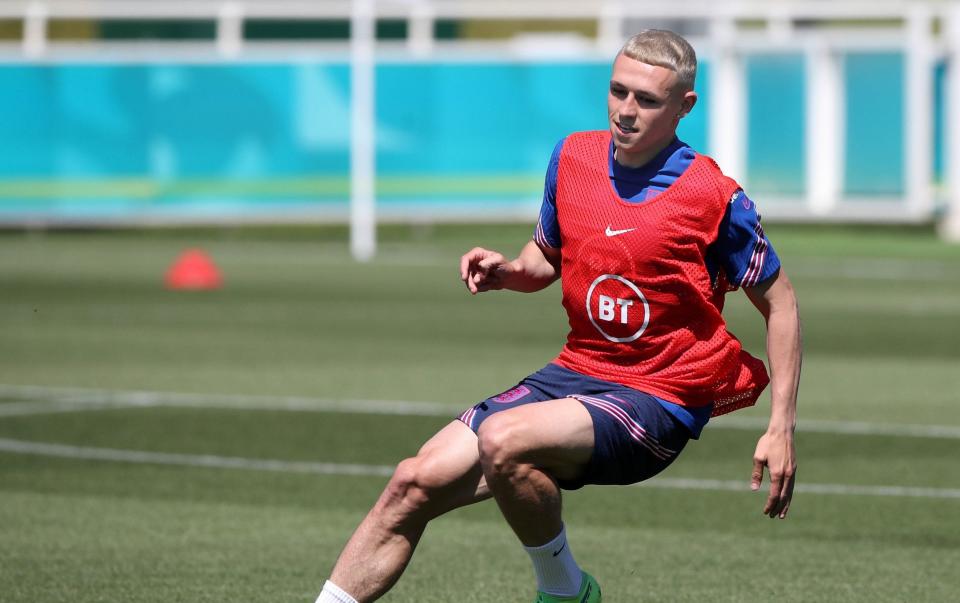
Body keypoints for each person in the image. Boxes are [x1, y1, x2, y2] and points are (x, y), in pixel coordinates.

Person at [314, 29, 801, 603]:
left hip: (660, 393)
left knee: (503, 438)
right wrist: (507, 272)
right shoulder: (572, 158)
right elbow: (545, 259)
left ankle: (564, 592)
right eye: (618, 91)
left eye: (646, 100)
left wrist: (780, 426)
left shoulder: (713, 196)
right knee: (411, 482)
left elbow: (781, 303)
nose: (625, 111)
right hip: (577, 373)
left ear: (684, 106)